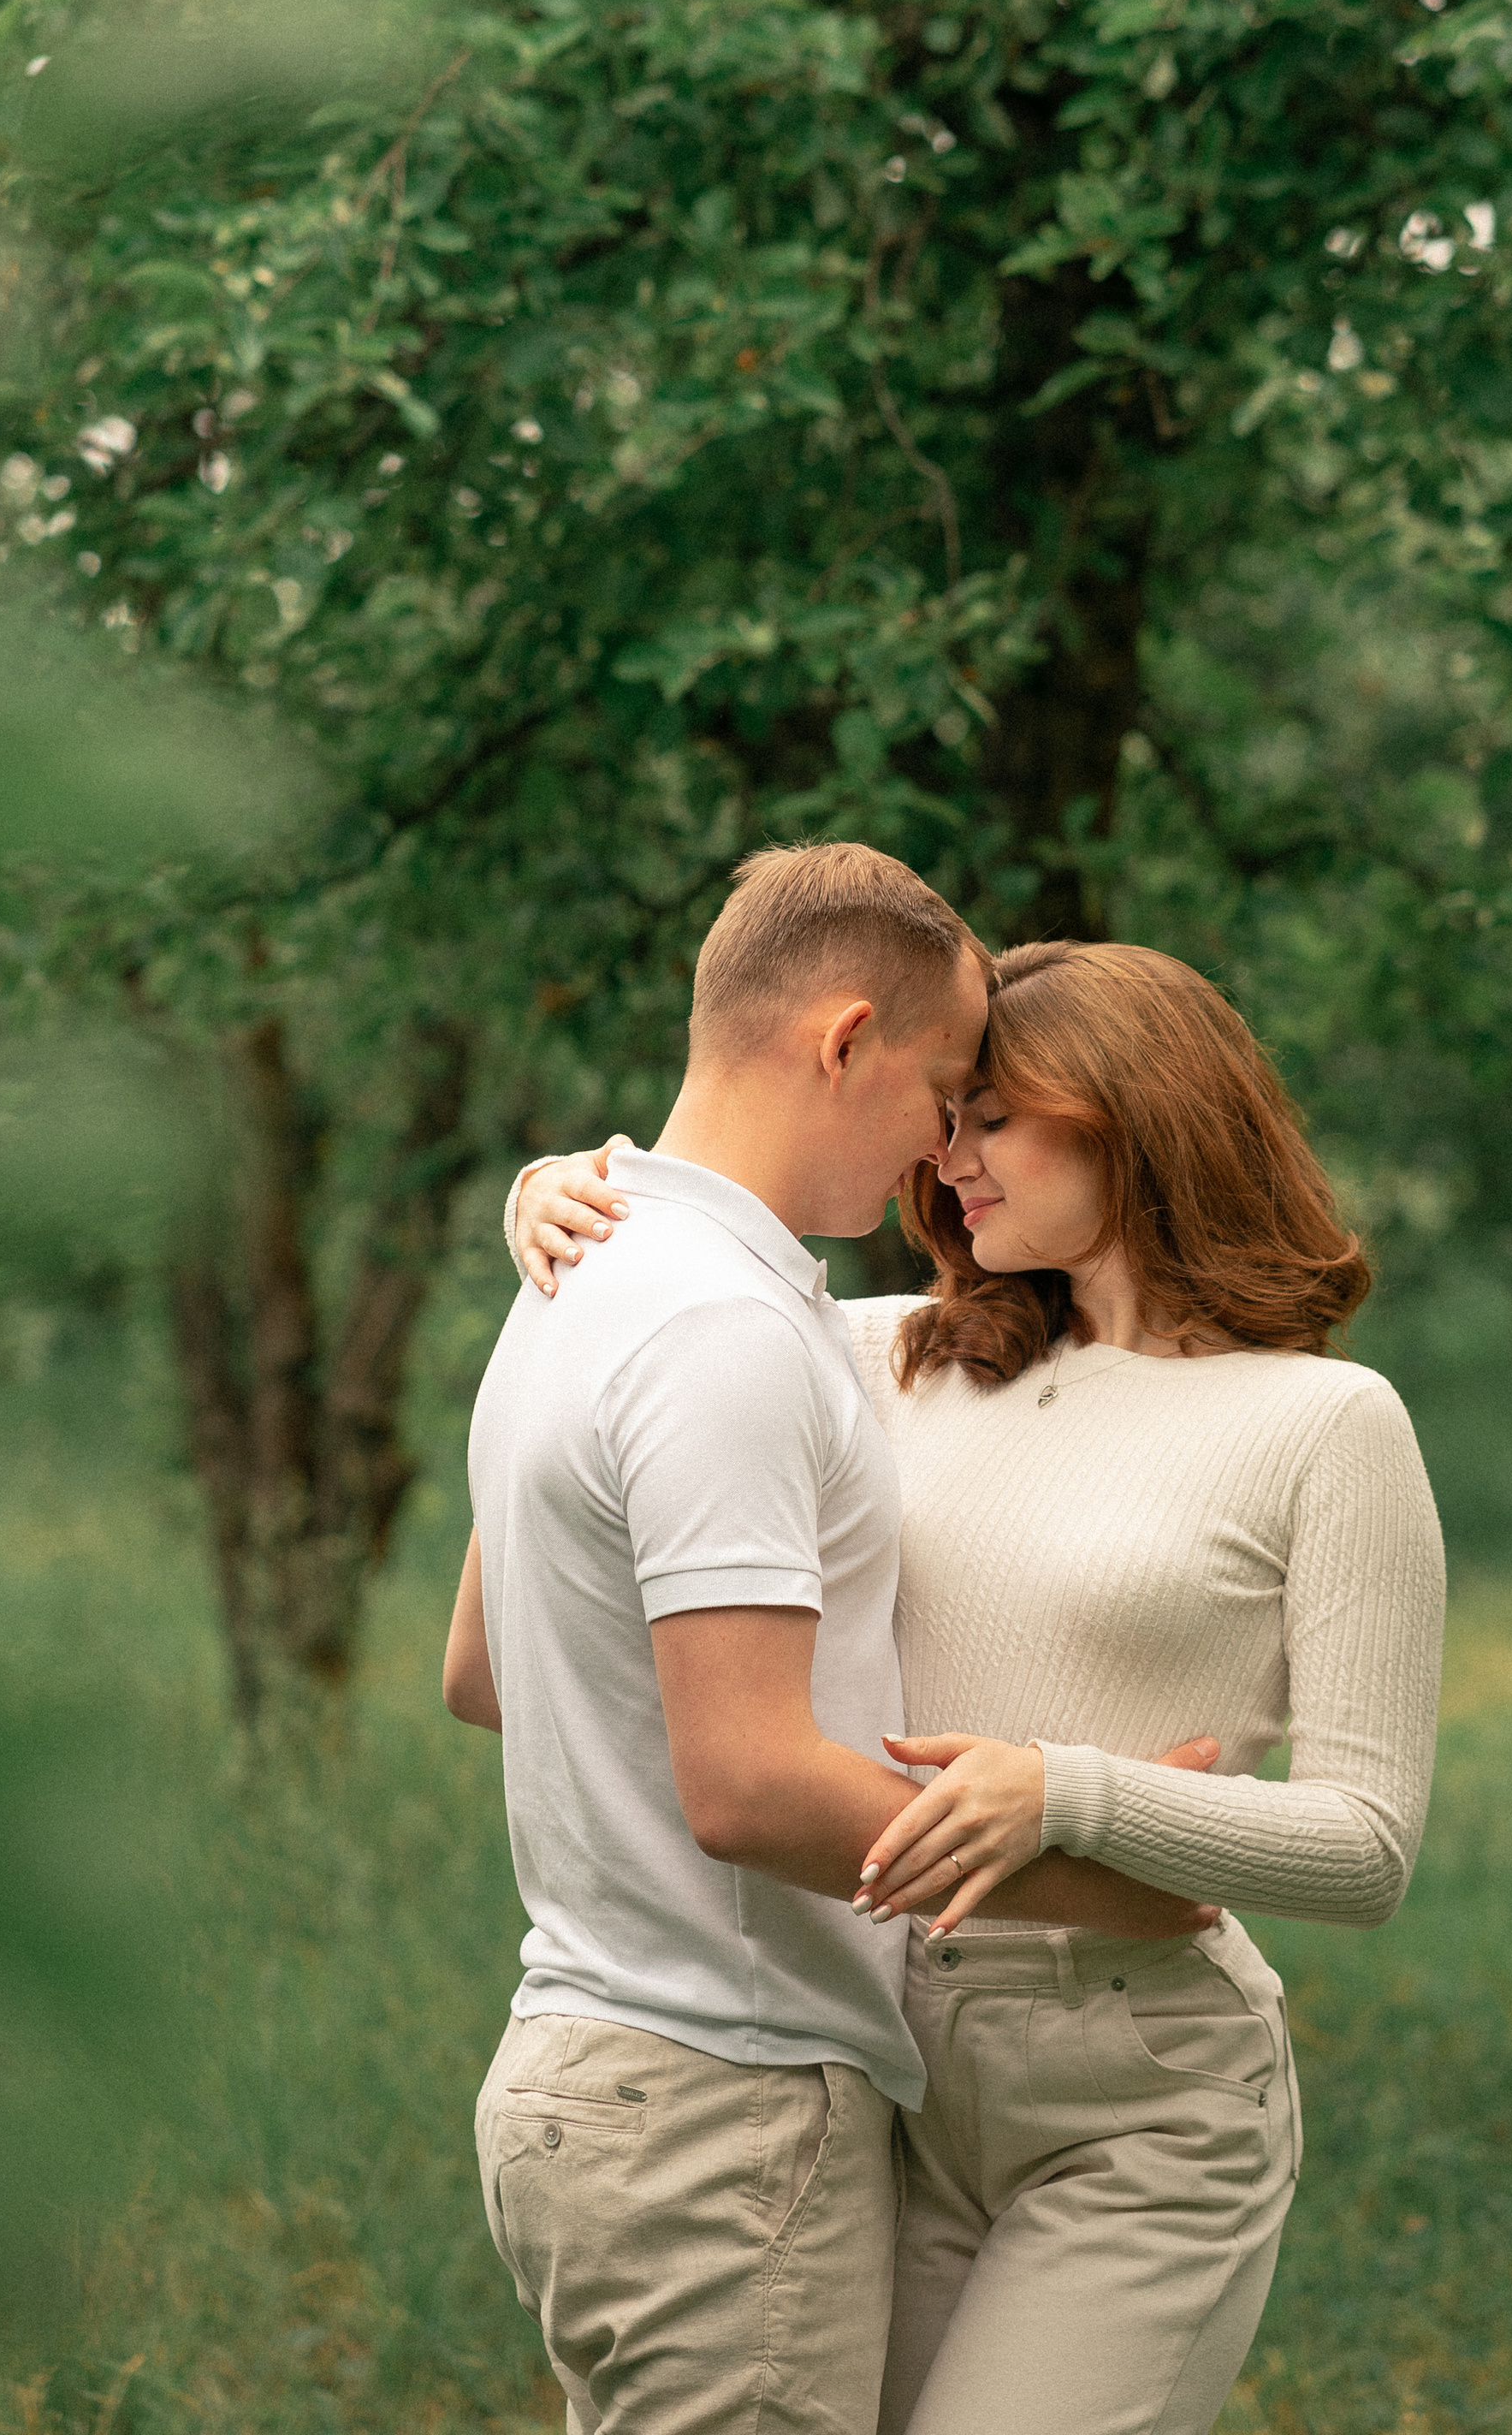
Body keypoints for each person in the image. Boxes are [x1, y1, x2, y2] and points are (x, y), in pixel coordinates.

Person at [513, 934, 1446, 2435]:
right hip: (878, 2073)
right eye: (948, 1113)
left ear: (1136, 1116)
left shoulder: (1327, 1423)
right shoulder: (887, 1351)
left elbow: (1368, 1844)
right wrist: (552, 1199)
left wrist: (1064, 1791)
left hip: (1139, 2094)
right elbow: (655, 1310)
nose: (945, 1158)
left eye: (993, 1114)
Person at [445, 851, 1217, 2435]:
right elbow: (744, 1786)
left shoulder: (581, 1272)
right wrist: (1108, 1870)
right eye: (943, 1091)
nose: (947, 1149)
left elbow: (484, 1671)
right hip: (716, 2107)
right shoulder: (719, 1328)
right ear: (842, 1038)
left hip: (580, 2079)